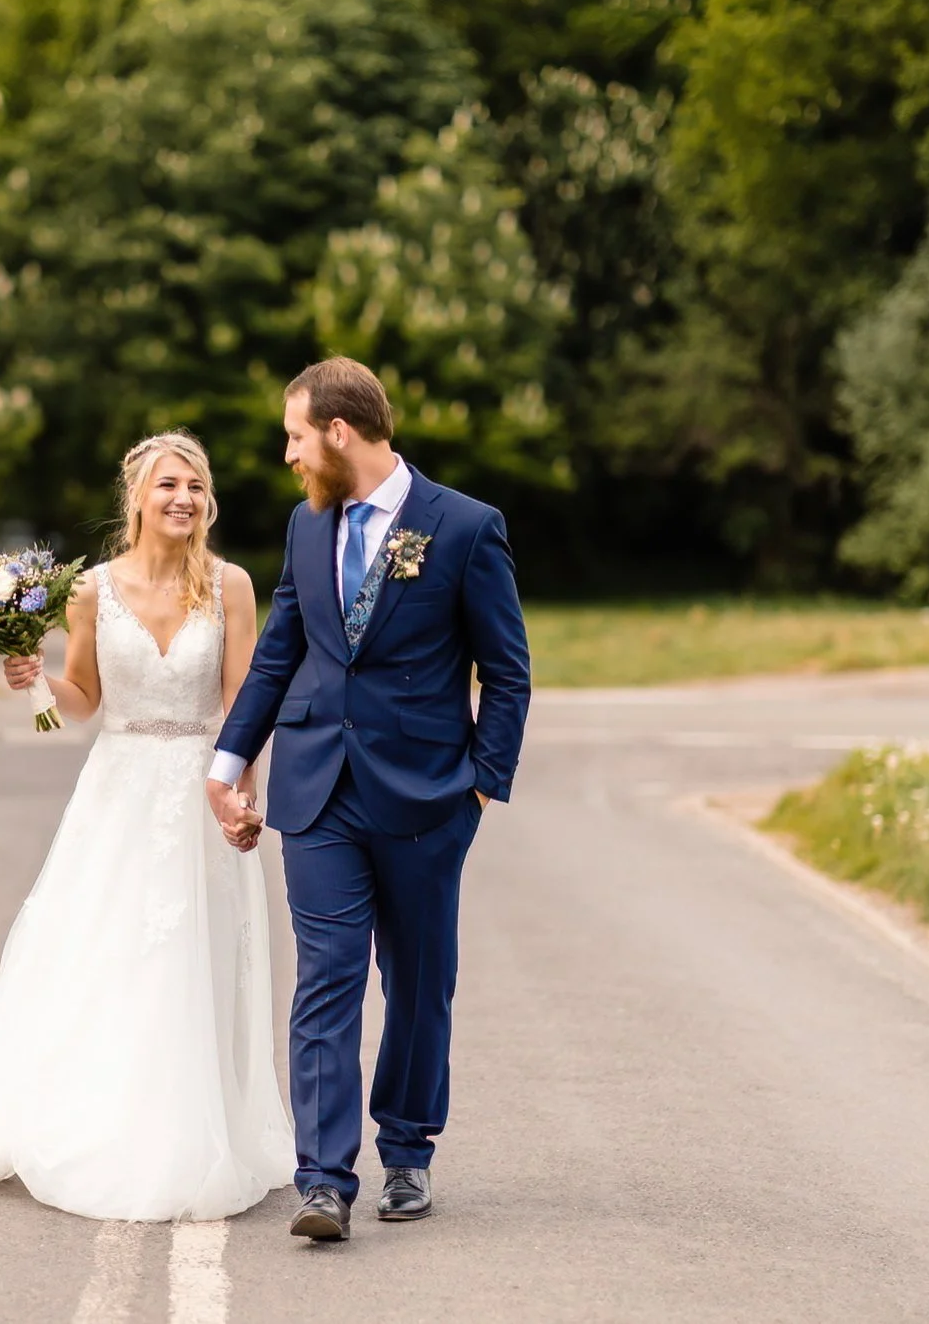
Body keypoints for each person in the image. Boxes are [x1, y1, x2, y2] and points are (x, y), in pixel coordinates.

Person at [0, 430, 295, 1221]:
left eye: (196, 487)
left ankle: (196, 1129)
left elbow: (243, 702)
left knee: (195, 958)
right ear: (137, 496)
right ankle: (106, 1125)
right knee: (112, 953)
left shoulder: (230, 585)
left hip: (200, 788)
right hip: (119, 793)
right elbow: (85, 700)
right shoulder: (91, 590)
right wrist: (34, 682)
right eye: (169, 485)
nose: (184, 499)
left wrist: (240, 795)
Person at [206, 356, 532, 1243]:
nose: (288, 455)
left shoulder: (465, 527)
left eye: (295, 436)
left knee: (419, 982)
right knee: (326, 977)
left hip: (429, 797)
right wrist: (229, 761)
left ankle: (409, 1152)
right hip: (317, 791)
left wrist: (481, 788)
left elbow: (507, 672)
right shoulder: (306, 525)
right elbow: (280, 651)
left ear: (339, 432)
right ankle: (322, 1180)